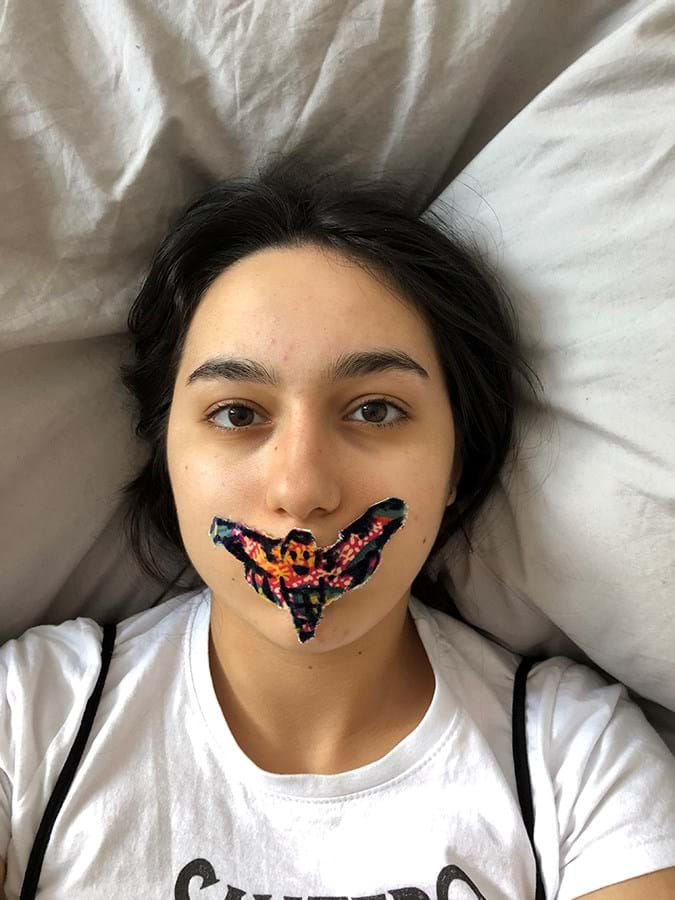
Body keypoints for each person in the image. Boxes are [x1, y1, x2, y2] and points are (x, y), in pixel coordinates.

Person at [1, 147, 675, 900]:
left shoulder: (576, 763)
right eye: (236, 414)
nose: (302, 489)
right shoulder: (32, 719)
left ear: (456, 462)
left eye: (375, 410)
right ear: (167, 455)